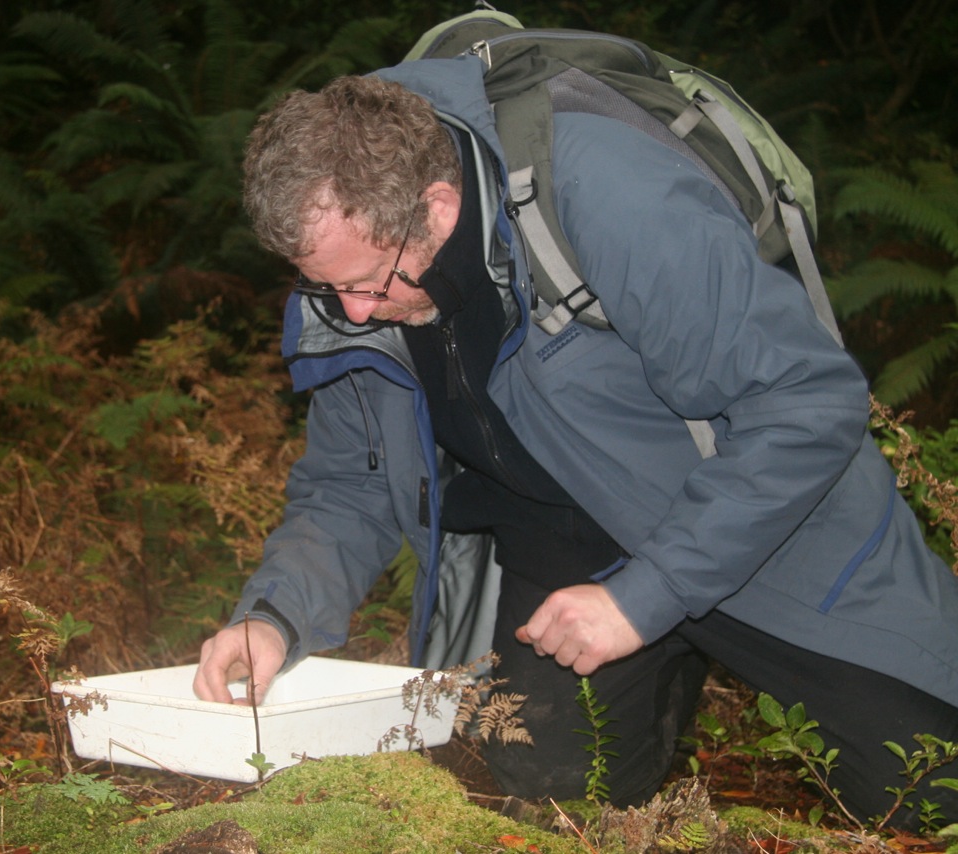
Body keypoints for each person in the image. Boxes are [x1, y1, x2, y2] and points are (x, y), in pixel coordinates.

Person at [191, 54, 958, 825]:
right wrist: (275, 615)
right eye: (327, 289)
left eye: (367, 286)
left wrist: (647, 594)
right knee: (546, 801)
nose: (352, 315)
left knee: (933, 796)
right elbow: (347, 484)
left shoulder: (611, 197)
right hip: (565, 558)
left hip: (751, 518)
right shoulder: (355, 275)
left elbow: (807, 400)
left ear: (439, 206)